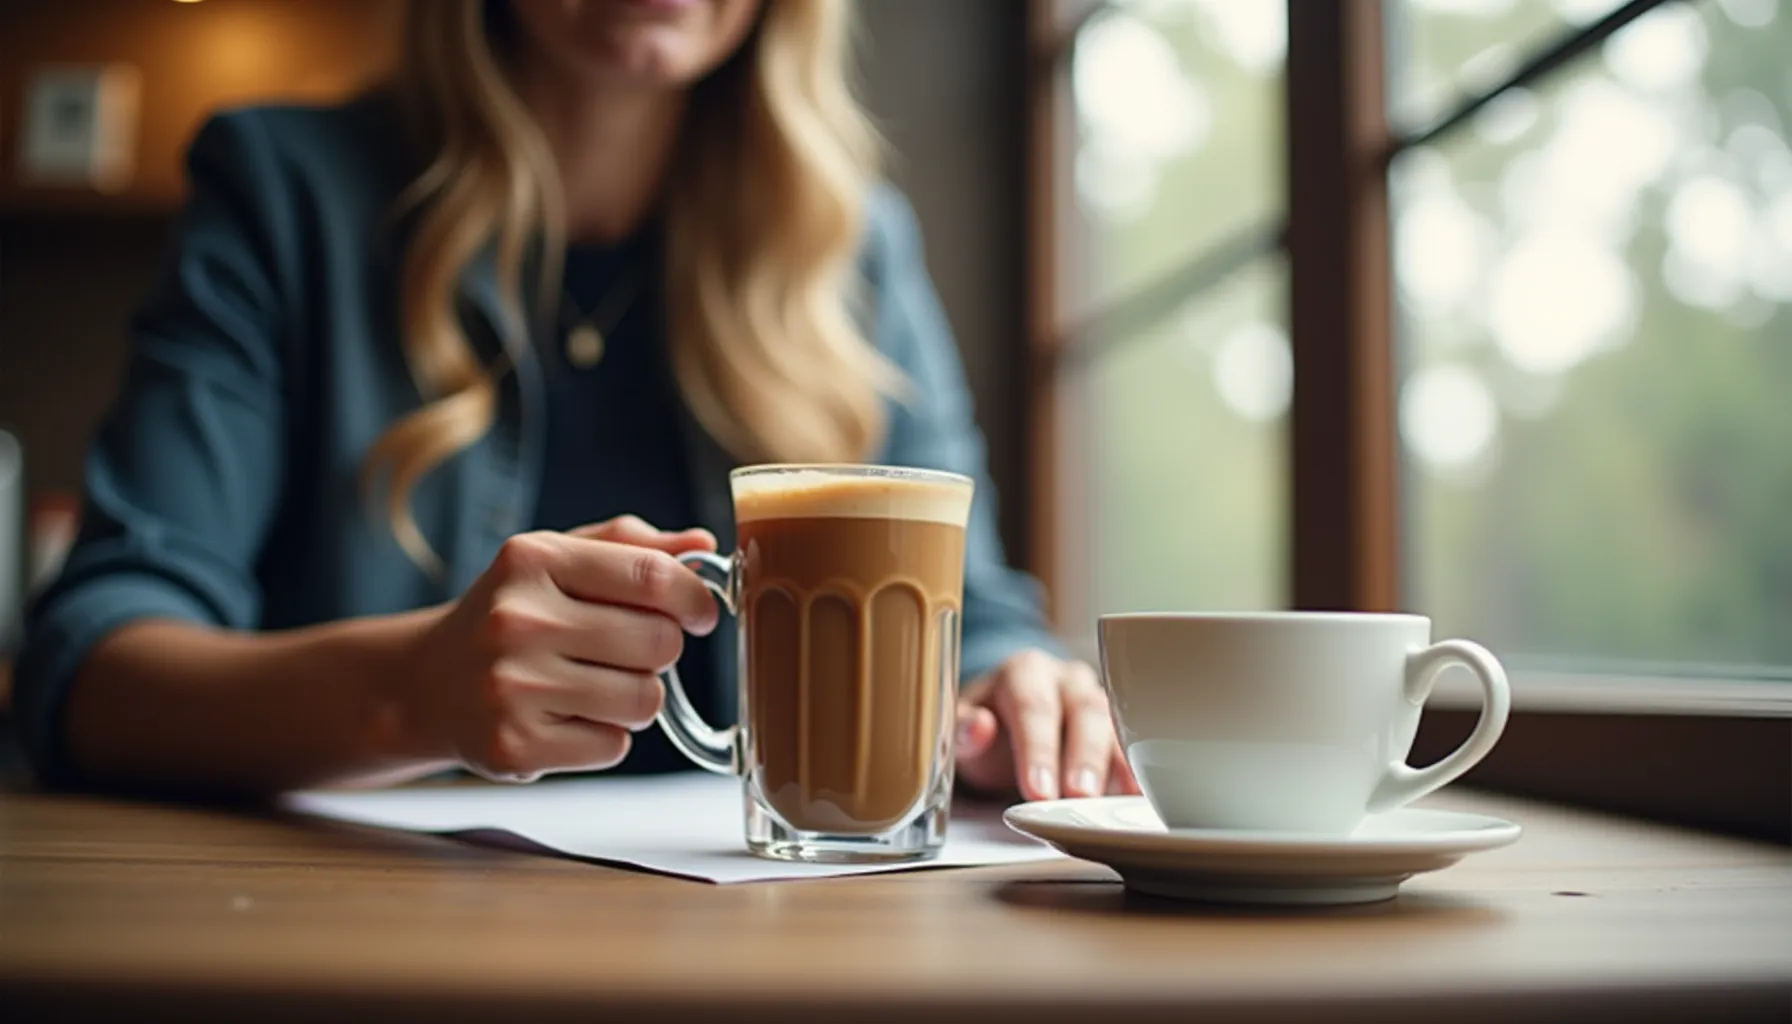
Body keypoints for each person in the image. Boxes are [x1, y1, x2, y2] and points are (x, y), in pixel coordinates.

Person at [13, 0, 1136, 804]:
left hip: (786, 942)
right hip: (383, 930)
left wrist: (1010, 696)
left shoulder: (853, 244)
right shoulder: (284, 190)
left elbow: (975, 611)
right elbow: (90, 670)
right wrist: (409, 692)